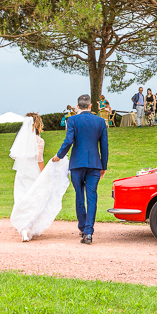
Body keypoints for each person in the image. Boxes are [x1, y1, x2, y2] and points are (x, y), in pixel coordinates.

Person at [52, 94, 108, 244]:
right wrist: (104, 166)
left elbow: (69, 140)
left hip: (77, 164)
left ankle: (82, 228)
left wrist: (59, 155)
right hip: (95, 164)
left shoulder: (72, 120)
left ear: (77, 107)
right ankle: (89, 232)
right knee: (92, 197)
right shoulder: (100, 121)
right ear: (90, 106)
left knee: (79, 196)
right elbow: (104, 146)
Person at [9, 113, 70, 242]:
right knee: (34, 199)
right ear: (37, 124)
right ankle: (28, 227)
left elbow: (15, 156)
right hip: (34, 173)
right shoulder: (39, 141)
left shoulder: (21, 139)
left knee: (22, 198)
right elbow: (39, 160)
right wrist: (44, 174)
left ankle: (23, 229)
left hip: (21, 174)